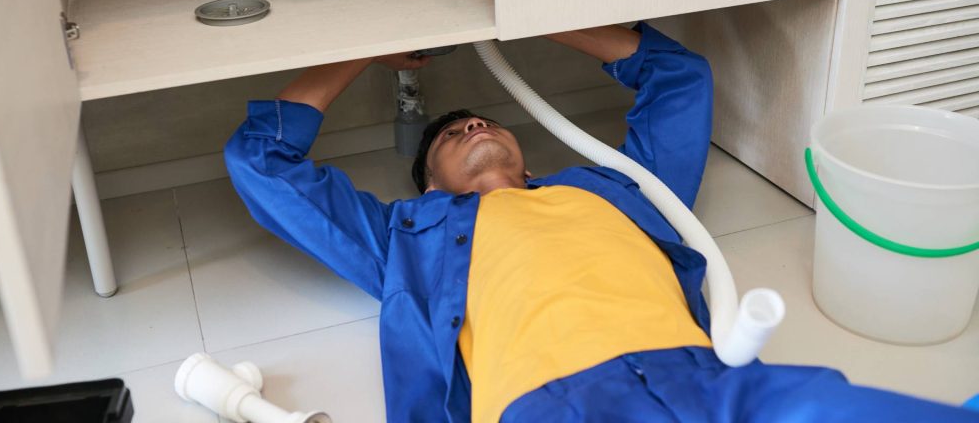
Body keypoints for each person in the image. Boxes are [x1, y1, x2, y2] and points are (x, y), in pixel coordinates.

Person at [225, 23, 978, 422]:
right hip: (552, 405)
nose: (474, 124)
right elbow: (260, 161)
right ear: (428, 184)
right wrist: (366, 46)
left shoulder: (619, 189)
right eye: (451, 134)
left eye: (483, 120)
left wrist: (538, 16)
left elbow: (679, 78)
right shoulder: (404, 239)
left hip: (719, 386)